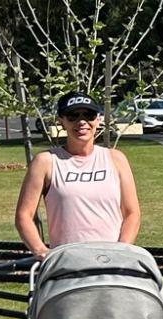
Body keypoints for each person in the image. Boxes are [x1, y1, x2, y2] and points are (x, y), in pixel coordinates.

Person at [13, 91, 142, 258]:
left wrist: (121, 250)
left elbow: (132, 213)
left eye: (88, 115)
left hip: (111, 262)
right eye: (73, 116)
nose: (82, 122)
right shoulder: (45, 161)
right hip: (67, 264)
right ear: (61, 121)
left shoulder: (116, 159)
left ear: (98, 119)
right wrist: (41, 251)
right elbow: (23, 215)